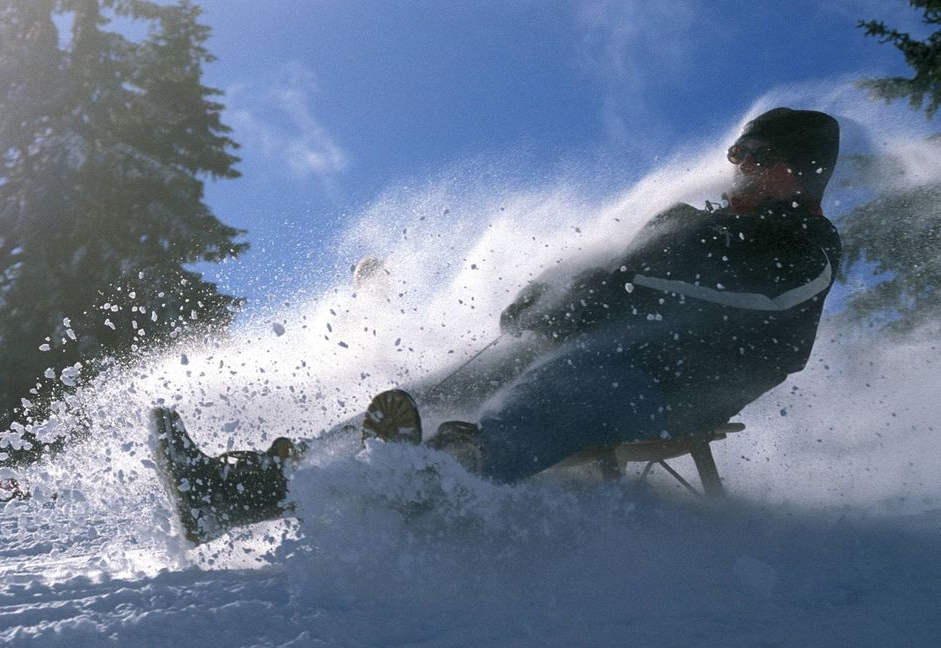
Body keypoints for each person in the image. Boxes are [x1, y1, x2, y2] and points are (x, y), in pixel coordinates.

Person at [154, 107, 842, 540]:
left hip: (670, 384)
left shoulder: (806, 249)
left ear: (801, 175)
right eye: (739, 156)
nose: (742, 169)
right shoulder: (684, 222)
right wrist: (548, 294)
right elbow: (602, 265)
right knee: (439, 388)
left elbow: (767, 301)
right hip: (581, 345)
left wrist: (621, 287)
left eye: (761, 160)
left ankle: (448, 477)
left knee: (565, 382)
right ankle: (233, 495)